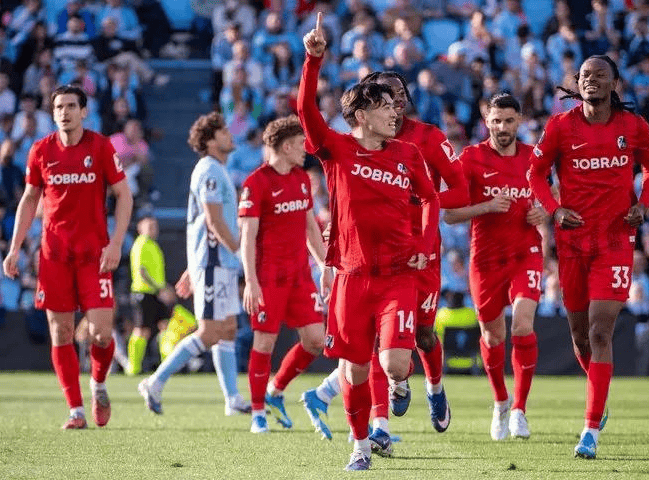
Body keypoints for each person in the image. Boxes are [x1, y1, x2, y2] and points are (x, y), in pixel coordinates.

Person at [298, 13, 439, 471]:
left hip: (398, 276)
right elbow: (305, 112)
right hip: (351, 277)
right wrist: (313, 61)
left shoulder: (408, 153)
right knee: (355, 369)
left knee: (395, 363)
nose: (395, 113)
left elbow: (430, 198)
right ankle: (360, 447)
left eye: (396, 107)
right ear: (361, 115)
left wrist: (423, 243)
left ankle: (400, 383)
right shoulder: (337, 149)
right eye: (385, 107)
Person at [301, 70, 469, 451]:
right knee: (372, 347)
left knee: (423, 336)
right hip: (365, 264)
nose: (395, 105)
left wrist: (413, 211)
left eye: (398, 96)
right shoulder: (347, 146)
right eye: (386, 99)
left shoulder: (425, 140)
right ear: (366, 110)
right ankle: (376, 428)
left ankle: (434, 387)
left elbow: (454, 191)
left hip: (417, 256)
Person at [528, 55, 649, 458]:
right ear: (578, 82)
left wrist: (644, 203)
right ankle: (597, 393)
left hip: (615, 241)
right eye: (585, 75)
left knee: (601, 332)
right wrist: (554, 210)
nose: (591, 80)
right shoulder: (559, 126)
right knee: (580, 338)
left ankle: (589, 431)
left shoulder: (634, 127)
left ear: (614, 83)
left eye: (600, 75)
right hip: (572, 242)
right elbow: (535, 174)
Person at [2, 85, 133, 429]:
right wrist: (15, 247)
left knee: (101, 333)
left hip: (94, 255)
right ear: (53, 112)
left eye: (72, 106)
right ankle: (75, 410)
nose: (65, 112)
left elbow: (124, 195)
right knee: (60, 332)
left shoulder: (100, 147)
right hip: (55, 255)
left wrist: (116, 243)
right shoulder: (41, 150)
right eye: (59, 107)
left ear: (83, 111)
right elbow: (30, 199)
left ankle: (98, 384)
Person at [444, 93, 545, 441]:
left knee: (522, 325)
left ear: (520, 121)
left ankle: (520, 409)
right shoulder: (471, 158)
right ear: (486, 121)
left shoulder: (533, 157)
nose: (502, 127)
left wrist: (544, 211)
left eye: (509, 121)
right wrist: (485, 207)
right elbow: (450, 214)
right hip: (485, 260)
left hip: (525, 252)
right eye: (496, 121)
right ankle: (501, 401)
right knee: (492, 335)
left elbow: (553, 194)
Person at [138, 112, 250, 417]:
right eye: (223, 131)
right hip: (215, 262)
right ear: (210, 140)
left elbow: (201, 223)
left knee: (228, 329)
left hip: (217, 262)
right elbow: (212, 220)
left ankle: (232, 398)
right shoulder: (209, 169)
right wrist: (238, 251)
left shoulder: (217, 169)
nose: (230, 135)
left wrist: (193, 266)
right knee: (210, 331)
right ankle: (155, 382)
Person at [239, 115, 330, 434]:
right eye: (302, 144)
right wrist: (251, 281)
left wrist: (324, 265)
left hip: (299, 275)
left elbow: (310, 229)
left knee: (316, 340)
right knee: (264, 342)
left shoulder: (302, 179)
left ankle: (275, 390)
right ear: (287, 146)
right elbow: (247, 237)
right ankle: (257, 413)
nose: (307, 149)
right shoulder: (256, 183)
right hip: (268, 277)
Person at [125, 213, 174, 376]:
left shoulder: (153, 245)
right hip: (144, 293)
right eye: (150, 226)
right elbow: (142, 272)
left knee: (164, 326)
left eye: (155, 226)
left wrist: (164, 288)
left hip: (156, 293)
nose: (154, 229)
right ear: (140, 228)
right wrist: (160, 289)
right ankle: (133, 367)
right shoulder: (141, 244)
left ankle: (167, 365)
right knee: (142, 330)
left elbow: (156, 273)